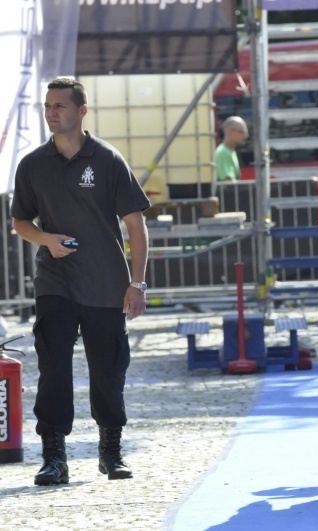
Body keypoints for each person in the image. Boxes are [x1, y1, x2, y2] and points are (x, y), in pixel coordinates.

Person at [11, 77, 150, 486]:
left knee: (107, 370)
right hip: (54, 280)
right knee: (53, 364)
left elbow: (136, 227)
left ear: (81, 110)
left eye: (60, 105)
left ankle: (111, 452)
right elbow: (20, 221)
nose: (52, 112)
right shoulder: (33, 164)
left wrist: (137, 284)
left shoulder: (107, 159)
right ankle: (54, 456)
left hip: (105, 282)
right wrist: (45, 240)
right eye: (47, 105)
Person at [214, 116, 248, 181]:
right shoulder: (223, 153)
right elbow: (228, 182)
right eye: (241, 132)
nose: (245, 136)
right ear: (229, 132)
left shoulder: (230, 151)